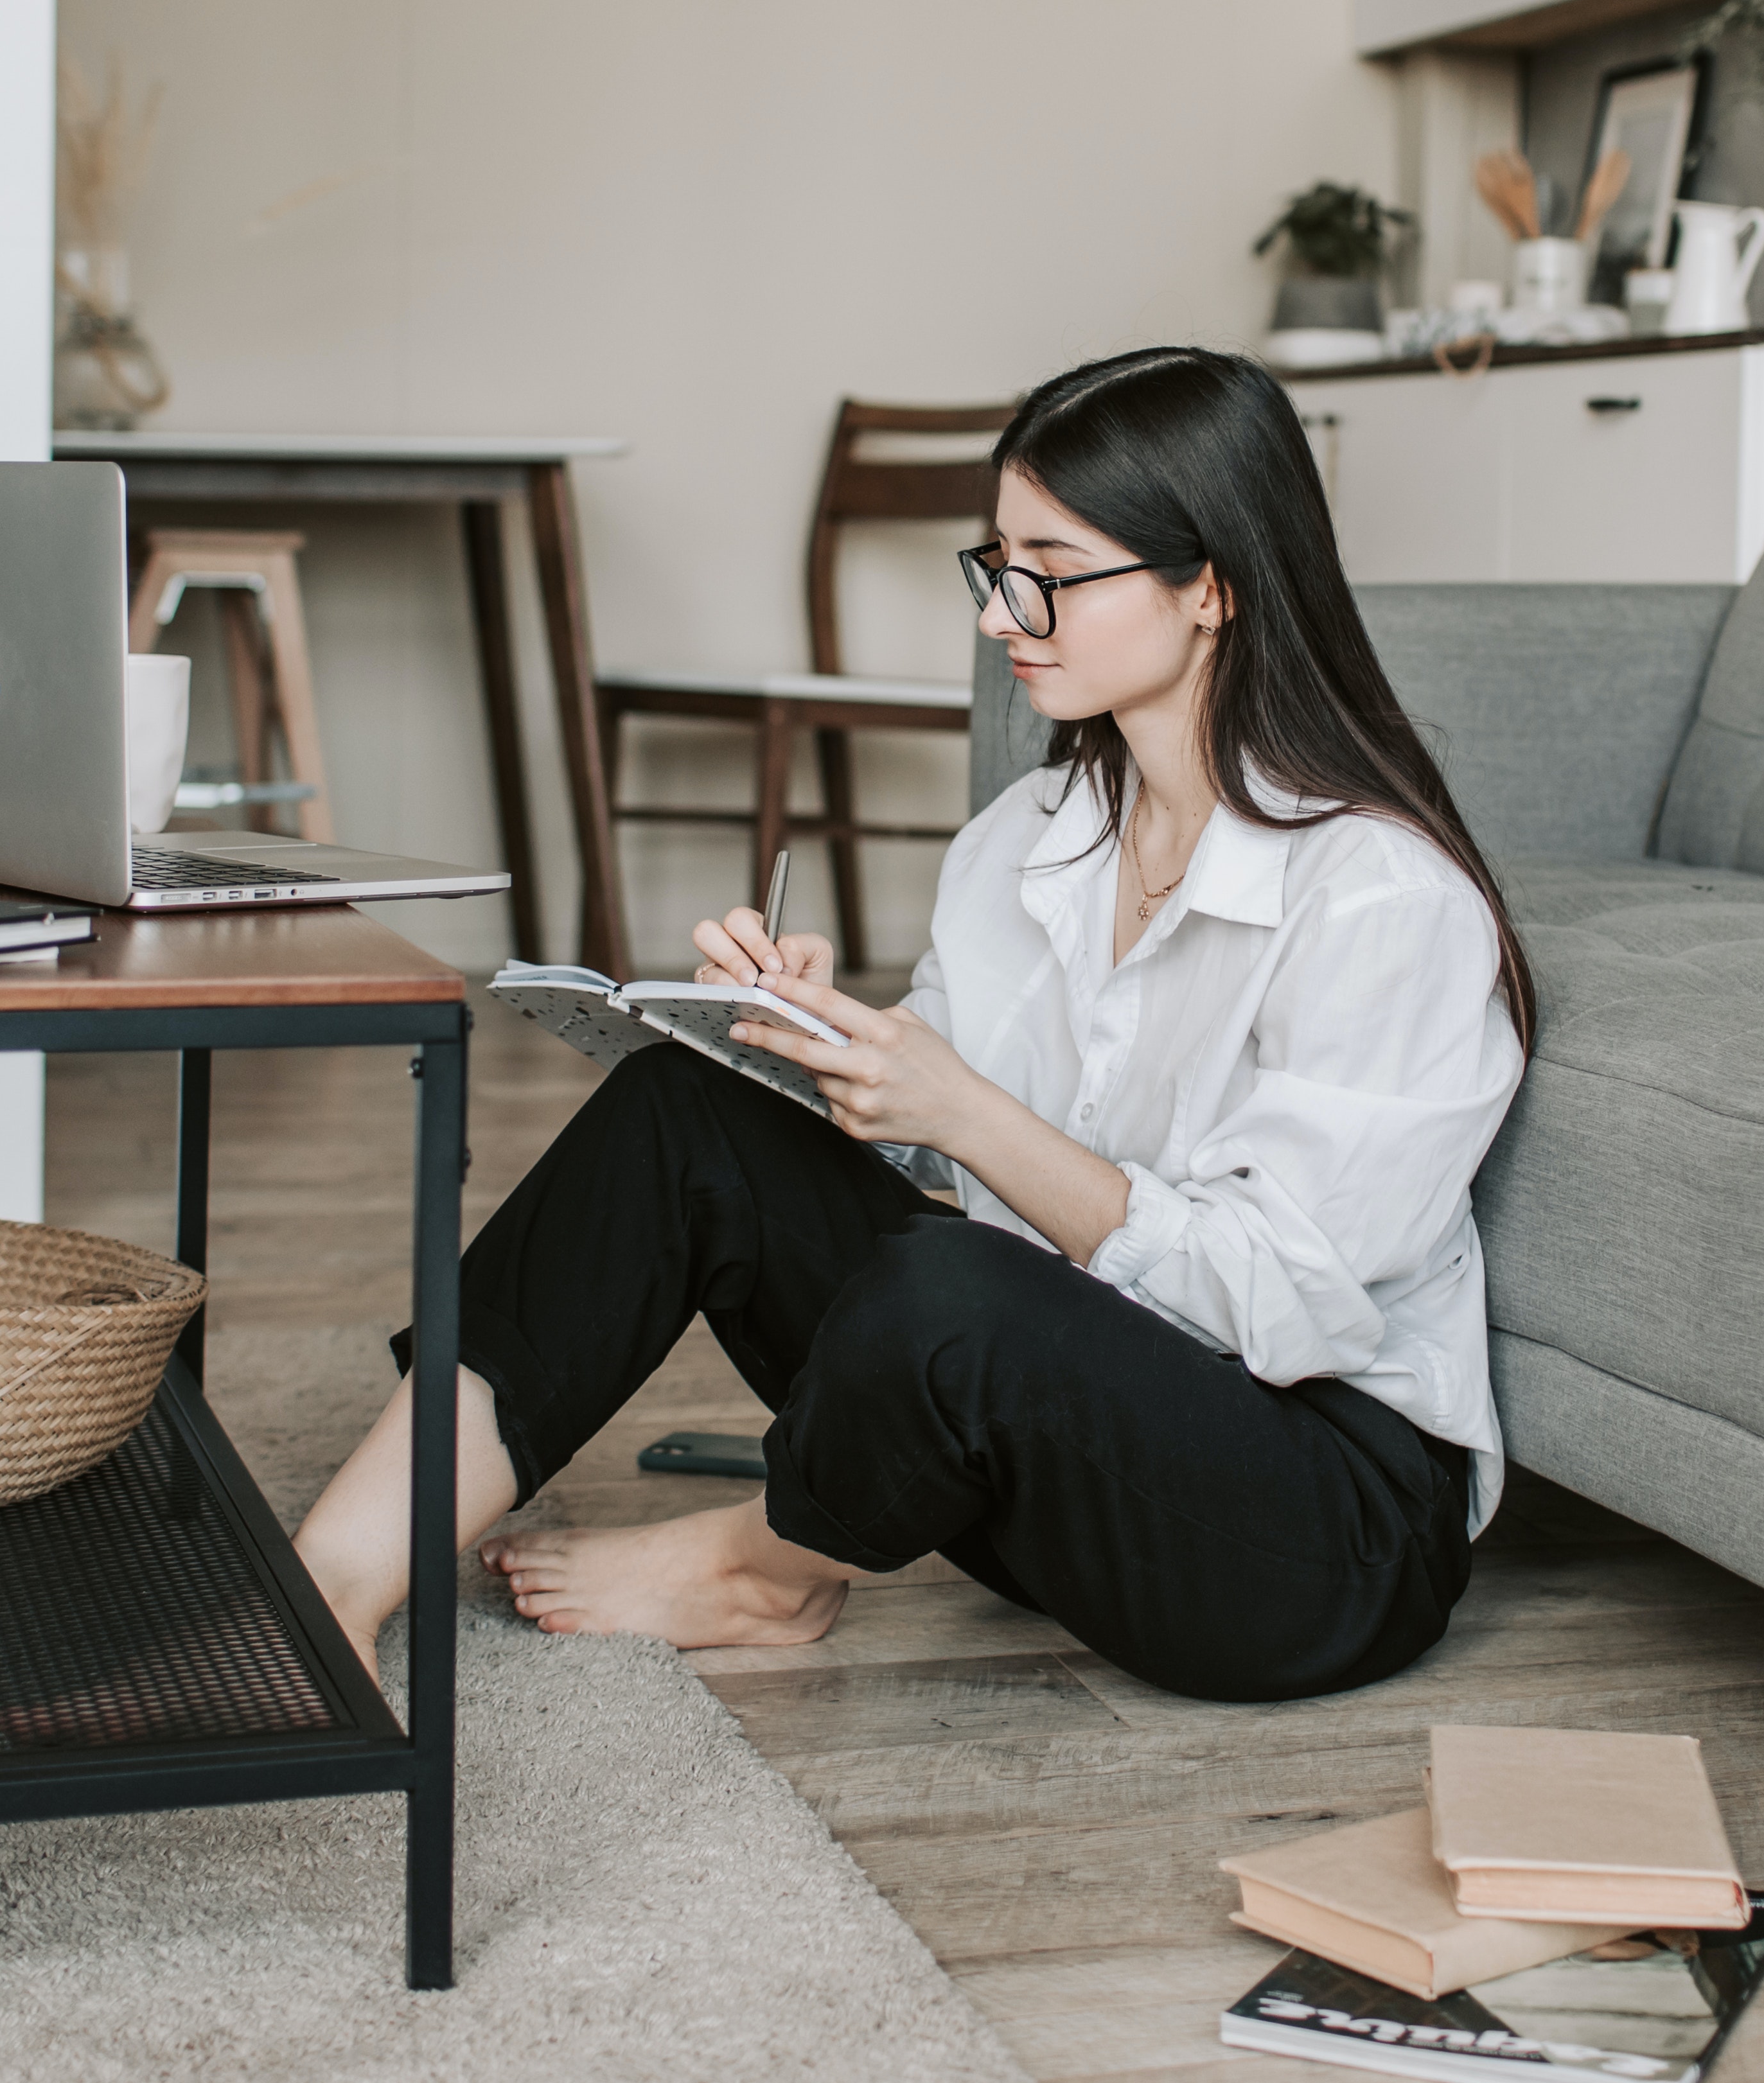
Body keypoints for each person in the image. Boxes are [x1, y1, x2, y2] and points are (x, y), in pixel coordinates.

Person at [286, 345, 1536, 1703]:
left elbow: (1282, 1305)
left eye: (1050, 570)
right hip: (1066, 1435)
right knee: (685, 1118)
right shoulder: (1028, 839)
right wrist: (812, 1046)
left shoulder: (1380, 902)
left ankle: (764, 1565)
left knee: (957, 1295)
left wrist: (964, 1114)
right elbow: (937, 1168)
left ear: (1209, 588)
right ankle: (333, 1580)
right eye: (993, 562)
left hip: (1312, 1532)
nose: (1002, 613)